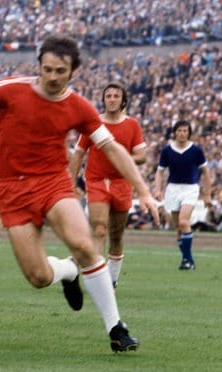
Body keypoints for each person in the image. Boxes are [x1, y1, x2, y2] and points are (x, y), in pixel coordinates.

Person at [0, 34, 159, 353]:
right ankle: (66, 271)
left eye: (60, 71)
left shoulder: (79, 106)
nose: (52, 77)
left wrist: (145, 191)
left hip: (53, 184)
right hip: (13, 191)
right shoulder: (11, 89)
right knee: (38, 276)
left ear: (73, 71)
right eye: (47, 69)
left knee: (85, 243)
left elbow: (113, 148)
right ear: (39, 66)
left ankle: (116, 328)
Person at [69, 81, 147, 289]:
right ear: (103, 100)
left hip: (122, 183)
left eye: (116, 96)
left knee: (116, 235)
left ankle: (112, 279)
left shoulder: (132, 125)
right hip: (96, 181)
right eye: (108, 96)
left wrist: (121, 155)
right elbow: (78, 154)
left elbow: (142, 156)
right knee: (99, 229)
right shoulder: (93, 123)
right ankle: (97, 279)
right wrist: (69, 183)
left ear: (123, 101)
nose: (111, 99)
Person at [153, 120, 213, 270]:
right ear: (175, 132)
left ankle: (187, 259)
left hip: (190, 188)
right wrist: (157, 189)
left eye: (185, 131)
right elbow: (160, 171)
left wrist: (207, 194)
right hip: (173, 189)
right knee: (178, 228)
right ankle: (187, 259)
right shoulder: (167, 150)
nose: (182, 133)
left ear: (189, 133)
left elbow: (206, 172)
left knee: (184, 222)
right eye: (179, 131)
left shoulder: (196, 150)